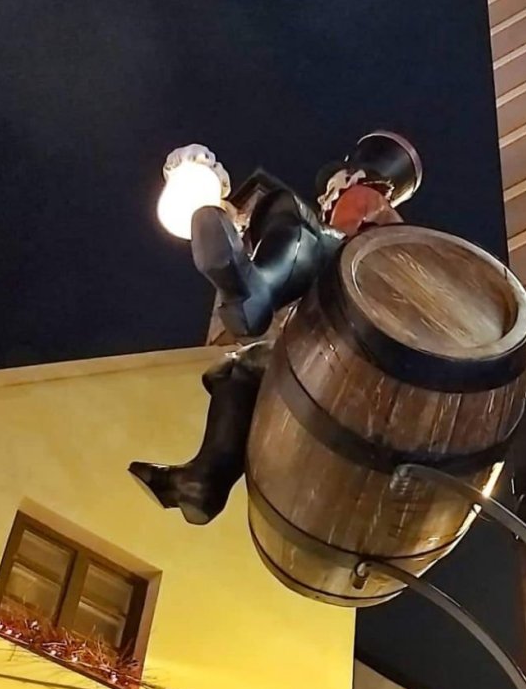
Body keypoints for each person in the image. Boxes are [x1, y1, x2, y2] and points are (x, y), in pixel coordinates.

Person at [129, 132, 421, 524]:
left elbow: (343, 243)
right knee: (245, 367)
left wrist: (255, 221)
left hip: (363, 304)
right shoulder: (368, 214)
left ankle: (256, 290)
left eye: (335, 182)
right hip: (336, 339)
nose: (327, 194)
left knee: (292, 218)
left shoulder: (365, 200)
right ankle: (204, 480)